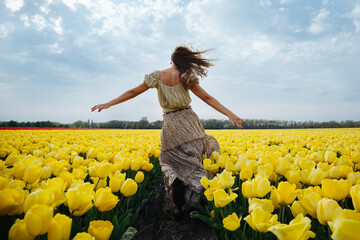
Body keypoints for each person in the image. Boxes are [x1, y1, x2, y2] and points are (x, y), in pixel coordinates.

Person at [91, 45, 245, 220]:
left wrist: (109, 103)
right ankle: (198, 198)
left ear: (171, 60)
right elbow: (207, 98)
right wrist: (229, 113)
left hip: (170, 123)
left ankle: (177, 205)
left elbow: (133, 91)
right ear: (185, 61)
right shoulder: (187, 76)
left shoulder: (157, 76)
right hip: (189, 122)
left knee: (171, 162)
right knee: (193, 161)